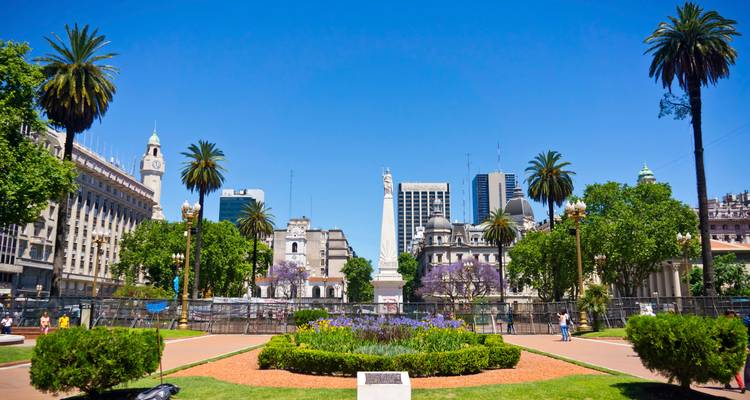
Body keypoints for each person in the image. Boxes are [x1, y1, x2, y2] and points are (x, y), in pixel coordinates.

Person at [723, 310, 745, 392]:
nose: (732, 316)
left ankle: (740, 386)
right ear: (727, 316)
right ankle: (730, 384)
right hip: (725, 349)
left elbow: (741, 336)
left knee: (734, 368)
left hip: (735, 349)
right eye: (730, 315)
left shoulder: (736, 324)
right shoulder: (723, 324)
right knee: (727, 368)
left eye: (733, 315)